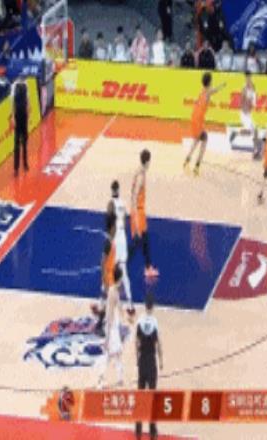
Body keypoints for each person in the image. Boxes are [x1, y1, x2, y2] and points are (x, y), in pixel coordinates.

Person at [183, 72, 226, 175]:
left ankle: (187, 160)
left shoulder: (203, 90)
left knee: (197, 140)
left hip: (194, 118)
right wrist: (222, 85)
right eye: (211, 80)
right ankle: (197, 166)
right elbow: (215, 90)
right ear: (210, 82)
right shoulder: (208, 92)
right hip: (198, 120)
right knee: (204, 140)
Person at [135, 293, 163, 440]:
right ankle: (152, 431)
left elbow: (136, 342)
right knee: (152, 397)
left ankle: (138, 430)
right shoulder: (155, 322)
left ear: (145, 305)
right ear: (153, 306)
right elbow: (159, 344)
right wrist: (161, 360)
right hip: (151, 361)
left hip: (142, 361)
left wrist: (137, 359)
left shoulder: (140, 320)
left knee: (140, 396)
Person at [130, 149, 159, 278]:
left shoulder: (138, 172)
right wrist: (135, 218)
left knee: (144, 241)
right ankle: (120, 268)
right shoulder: (141, 177)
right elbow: (135, 196)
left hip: (138, 212)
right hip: (138, 213)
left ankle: (148, 268)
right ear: (147, 162)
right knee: (137, 242)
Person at [108, 180, 135, 316]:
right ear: (118, 190)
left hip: (115, 238)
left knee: (111, 270)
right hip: (122, 236)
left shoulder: (110, 204)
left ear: (112, 190)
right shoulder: (123, 204)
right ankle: (130, 304)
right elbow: (124, 221)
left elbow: (109, 225)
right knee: (124, 271)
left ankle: (106, 303)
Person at [98, 264, 127, 388]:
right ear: (119, 278)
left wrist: (126, 313)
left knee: (116, 354)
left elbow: (119, 308)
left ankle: (120, 379)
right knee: (110, 355)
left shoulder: (115, 291)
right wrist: (107, 336)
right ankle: (101, 379)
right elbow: (109, 314)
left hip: (114, 326)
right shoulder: (112, 292)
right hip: (111, 328)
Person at [91, 212, 117, 338]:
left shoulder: (111, 241)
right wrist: (104, 277)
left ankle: (98, 308)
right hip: (108, 275)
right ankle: (99, 326)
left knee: (105, 297)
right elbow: (102, 261)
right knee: (107, 299)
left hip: (110, 273)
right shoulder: (108, 243)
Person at [229, 71, 259, 158]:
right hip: (244, 113)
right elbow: (241, 101)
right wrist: (244, 108)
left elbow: (254, 98)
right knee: (250, 132)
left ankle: (255, 151)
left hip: (249, 113)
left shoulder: (253, 86)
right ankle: (236, 133)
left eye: (249, 77)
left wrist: (253, 104)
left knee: (255, 130)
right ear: (245, 78)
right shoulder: (244, 88)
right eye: (247, 78)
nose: (248, 79)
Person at [11, 75, 29, 177]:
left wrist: (28, 112)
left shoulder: (26, 84)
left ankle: (25, 163)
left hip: (24, 115)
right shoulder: (14, 86)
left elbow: (27, 99)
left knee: (25, 141)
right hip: (17, 115)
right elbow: (12, 103)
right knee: (16, 143)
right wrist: (13, 117)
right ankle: (16, 168)